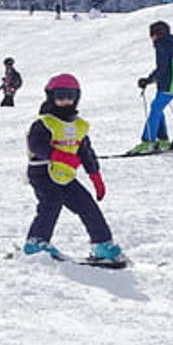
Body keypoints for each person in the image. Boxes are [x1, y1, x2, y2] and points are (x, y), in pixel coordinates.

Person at [20, 73, 126, 265]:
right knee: (52, 202)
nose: (66, 100)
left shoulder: (79, 126)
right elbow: (36, 145)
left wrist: (95, 175)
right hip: (42, 172)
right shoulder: (44, 123)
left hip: (64, 174)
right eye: (60, 96)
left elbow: (85, 151)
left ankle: (102, 244)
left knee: (87, 205)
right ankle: (36, 241)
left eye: (70, 95)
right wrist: (59, 155)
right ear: (51, 97)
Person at [129, 20, 173, 155]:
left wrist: (148, 80)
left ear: (158, 34)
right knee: (157, 108)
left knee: (155, 109)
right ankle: (163, 140)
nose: (151, 37)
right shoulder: (170, 45)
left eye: (152, 34)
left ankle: (148, 141)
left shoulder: (162, 45)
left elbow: (162, 68)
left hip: (169, 83)